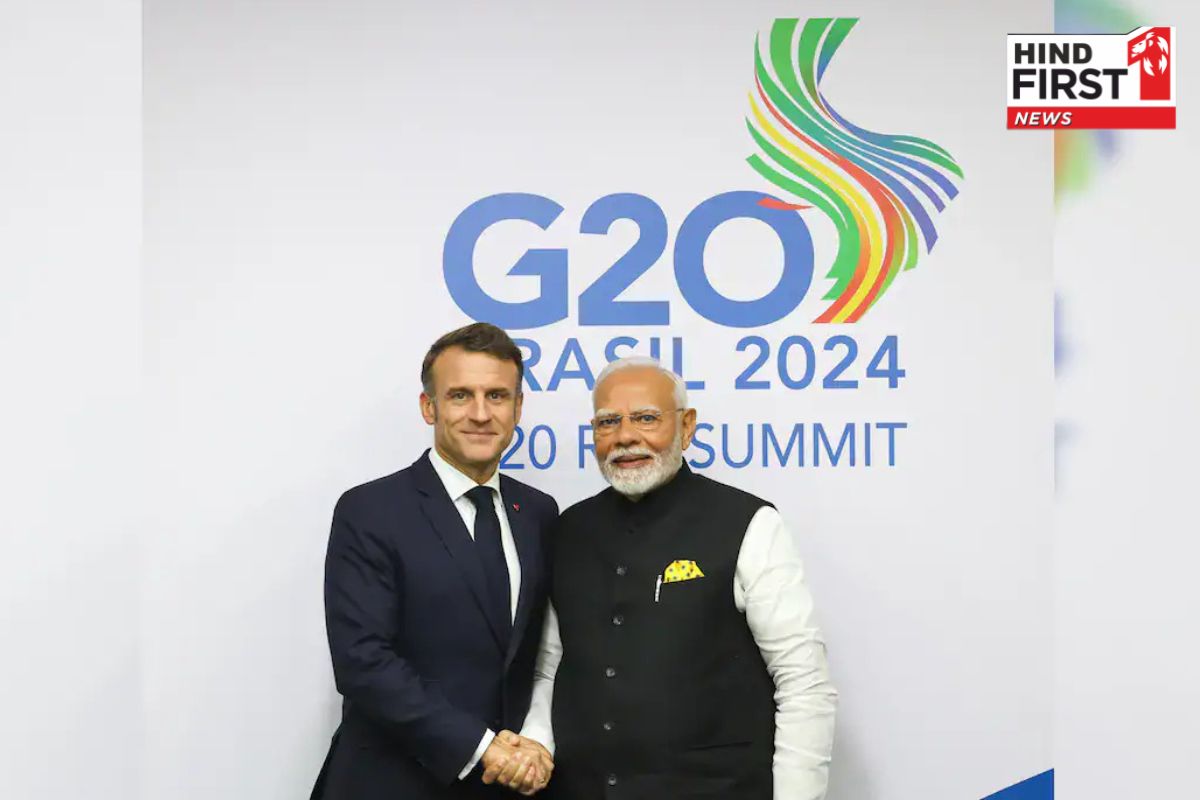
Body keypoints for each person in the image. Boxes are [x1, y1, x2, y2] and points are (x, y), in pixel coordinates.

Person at [517, 355, 838, 799]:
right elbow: (549, 668)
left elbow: (803, 682)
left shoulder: (748, 523)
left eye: (646, 418)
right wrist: (536, 744)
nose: (625, 437)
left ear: (686, 427)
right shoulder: (568, 529)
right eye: (608, 422)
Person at [311, 323, 556, 800]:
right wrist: (483, 749)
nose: (480, 414)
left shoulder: (539, 512)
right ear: (429, 407)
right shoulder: (371, 510)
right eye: (461, 395)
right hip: (391, 783)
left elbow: (541, 652)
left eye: (497, 396)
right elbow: (363, 662)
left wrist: (534, 744)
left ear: (518, 408)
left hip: (505, 788)